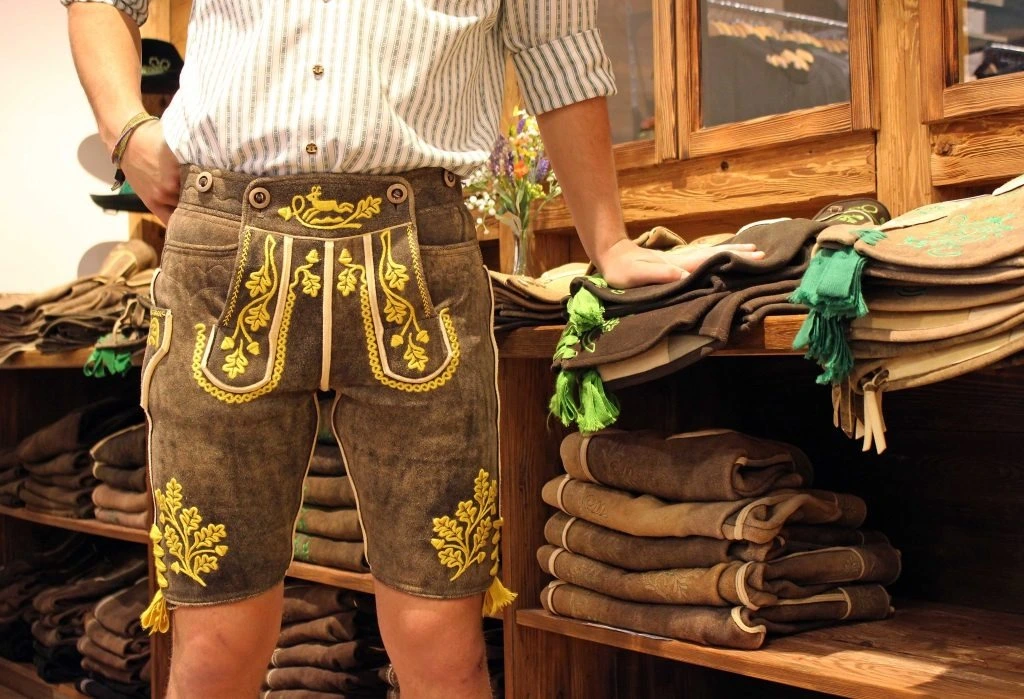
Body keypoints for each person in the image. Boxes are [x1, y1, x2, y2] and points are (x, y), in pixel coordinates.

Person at [64, 2, 764, 697]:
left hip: (418, 253)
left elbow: (560, 42)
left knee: (442, 642)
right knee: (216, 645)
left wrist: (607, 239)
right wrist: (126, 130)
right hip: (224, 252)